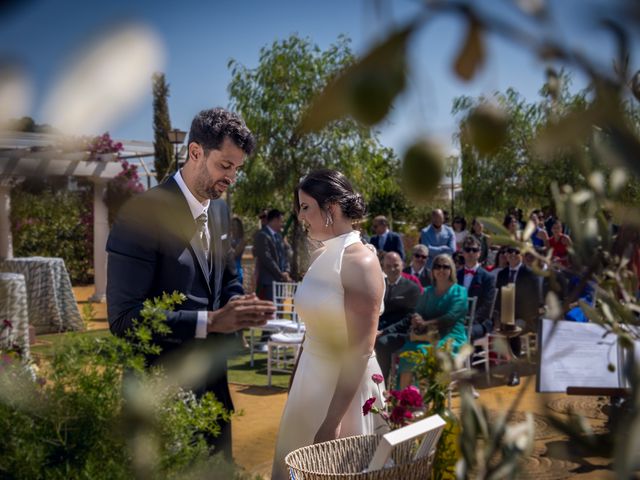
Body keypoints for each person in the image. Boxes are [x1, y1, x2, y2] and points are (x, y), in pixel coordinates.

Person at [106, 107, 276, 460]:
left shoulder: (218, 209)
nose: (232, 178)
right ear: (195, 152)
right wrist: (210, 322)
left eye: (238, 169)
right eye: (225, 166)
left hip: (214, 393)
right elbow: (123, 319)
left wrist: (237, 307)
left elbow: (227, 274)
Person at [272, 169, 386, 480]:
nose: (300, 216)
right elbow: (312, 329)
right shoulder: (324, 257)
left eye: (306, 207)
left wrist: (331, 422)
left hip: (343, 397)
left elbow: (361, 351)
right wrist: (297, 377)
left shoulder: (359, 262)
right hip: (310, 380)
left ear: (331, 209)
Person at [397, 254, 468, 388]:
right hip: (428, 335)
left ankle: (423, 401)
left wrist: (424, 323)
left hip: (451, 337)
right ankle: (403, 400)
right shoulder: (427, 291)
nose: (441, 270)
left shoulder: (460, 291)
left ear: (451, 270)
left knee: (424, 353)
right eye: (437, 266)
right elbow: (418, 311)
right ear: (433, 270)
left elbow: (450, 318)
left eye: (445, 266)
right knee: (409, 352)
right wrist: (416, 319)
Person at [494, 246, 542, 386]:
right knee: (501, 327)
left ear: (522, 254)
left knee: (512, 330)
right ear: (506, 256)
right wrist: (497, 317)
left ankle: (514, 372)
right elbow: (498, 299)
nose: (513, 254)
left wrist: (516, 316)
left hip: (524, 317)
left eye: (516, 251)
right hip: (504, 316)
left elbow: (535, 300)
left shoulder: (529, 273)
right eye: (509, 252)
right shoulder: (502, 274)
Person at [375, 251, 421, 380]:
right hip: (380, 330)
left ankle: (382, 383)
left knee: (381, 343)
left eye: (395, 265)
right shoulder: (379, 284)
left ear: (403, 265)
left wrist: (384, 332)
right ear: (382, 267)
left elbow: (409, 318)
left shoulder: (412, 288)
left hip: (402, 333)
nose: (392, 269)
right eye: (388, 266)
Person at [457, 236, 496, 342]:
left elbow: (487, 305)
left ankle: (467, 359)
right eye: (467, 250)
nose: (471, 253)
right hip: (457, 320)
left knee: (464, 332)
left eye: (474, 250)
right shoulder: (455, 275)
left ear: (479, 253)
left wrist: (470, 320)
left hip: (480, 322)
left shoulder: (488, 277)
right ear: (463, 253)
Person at [254, 208, 291, 301]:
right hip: (268, 282)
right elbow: (266, 258)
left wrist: (286, 271)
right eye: (281, 221)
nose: (282, 224)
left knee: (279, 311)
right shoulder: (261, 235)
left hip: (280, 280)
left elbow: (285, 255)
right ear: (275, 220)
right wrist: (281, 274)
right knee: (270, 312)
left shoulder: (279, 236)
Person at [230, 217, 245, 286]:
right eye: (232, 225)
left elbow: (234, 254)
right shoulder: (229, 239)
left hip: (237, 269)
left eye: (236, 225)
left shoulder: (241, 241)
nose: (234, 227)